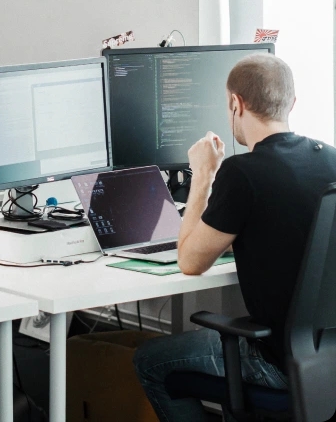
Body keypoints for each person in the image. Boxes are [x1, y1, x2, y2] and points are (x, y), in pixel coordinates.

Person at [133, 53, 336, 421]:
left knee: (149, 360)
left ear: (235, 103)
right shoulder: (331, 159)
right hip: (328, 358)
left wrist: (203, 175)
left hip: (277, 362)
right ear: (292, 103)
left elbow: (190, 262)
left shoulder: (242, 173)